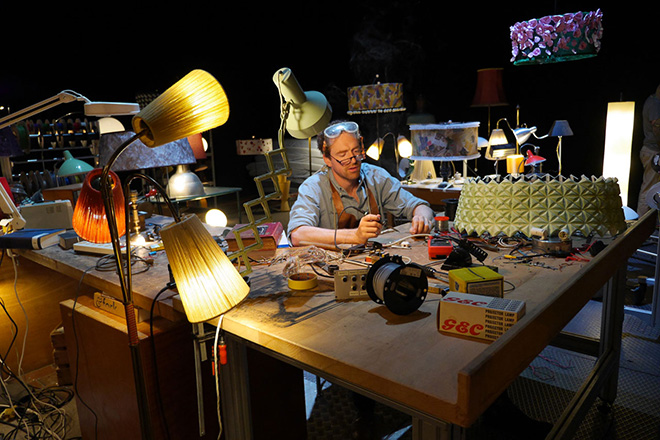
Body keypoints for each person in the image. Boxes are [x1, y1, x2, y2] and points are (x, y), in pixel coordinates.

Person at [287, 120, 435, 248]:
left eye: (356, 151)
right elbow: (298, 234)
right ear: (327, 159)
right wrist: (354, 236)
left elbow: (420, 206)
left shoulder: (376, 177)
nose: (353, 160)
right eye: (342, 155)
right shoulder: (313, 187)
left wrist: (422, 219)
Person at [637, 83, 660, 215]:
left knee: (653, 188)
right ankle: (640, 224)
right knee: (649, 189)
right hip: (653, 151)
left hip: (652, 150)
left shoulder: (653, 102)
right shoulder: (655, 104)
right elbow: (657, 128)